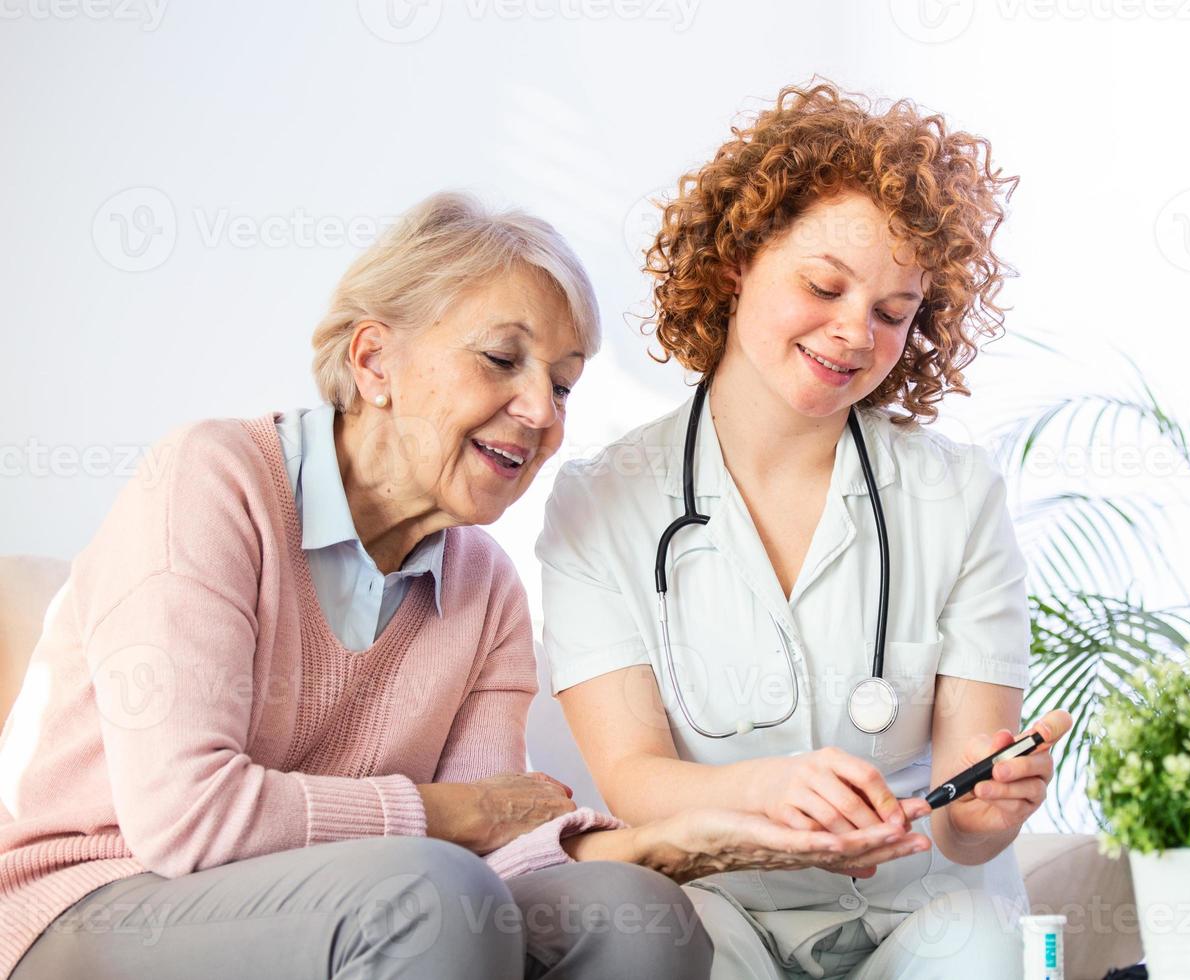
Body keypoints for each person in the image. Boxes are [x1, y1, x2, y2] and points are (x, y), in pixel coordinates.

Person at [0, 191, 919, 980]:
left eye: (562, 385)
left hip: (338, 896)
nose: (540, 415)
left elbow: (501, 842)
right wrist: (443, 815)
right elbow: (188, 818)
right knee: (427, 893)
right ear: (374, 363)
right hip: (93, 901)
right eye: (501, 359)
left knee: (627, 915)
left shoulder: (485, 587)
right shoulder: (213, 480)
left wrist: (673, 843)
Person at [536, 83, 1075, 979]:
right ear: (737, 261)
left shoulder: (957, 496)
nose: (853, 333)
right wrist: (767, 788)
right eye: (824, 285)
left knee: (976, 950)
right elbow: (631, 775)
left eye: (894, 312)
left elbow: (965, 818)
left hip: (927, 906)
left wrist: (985, 810)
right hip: (723, 902)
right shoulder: (604, 503)